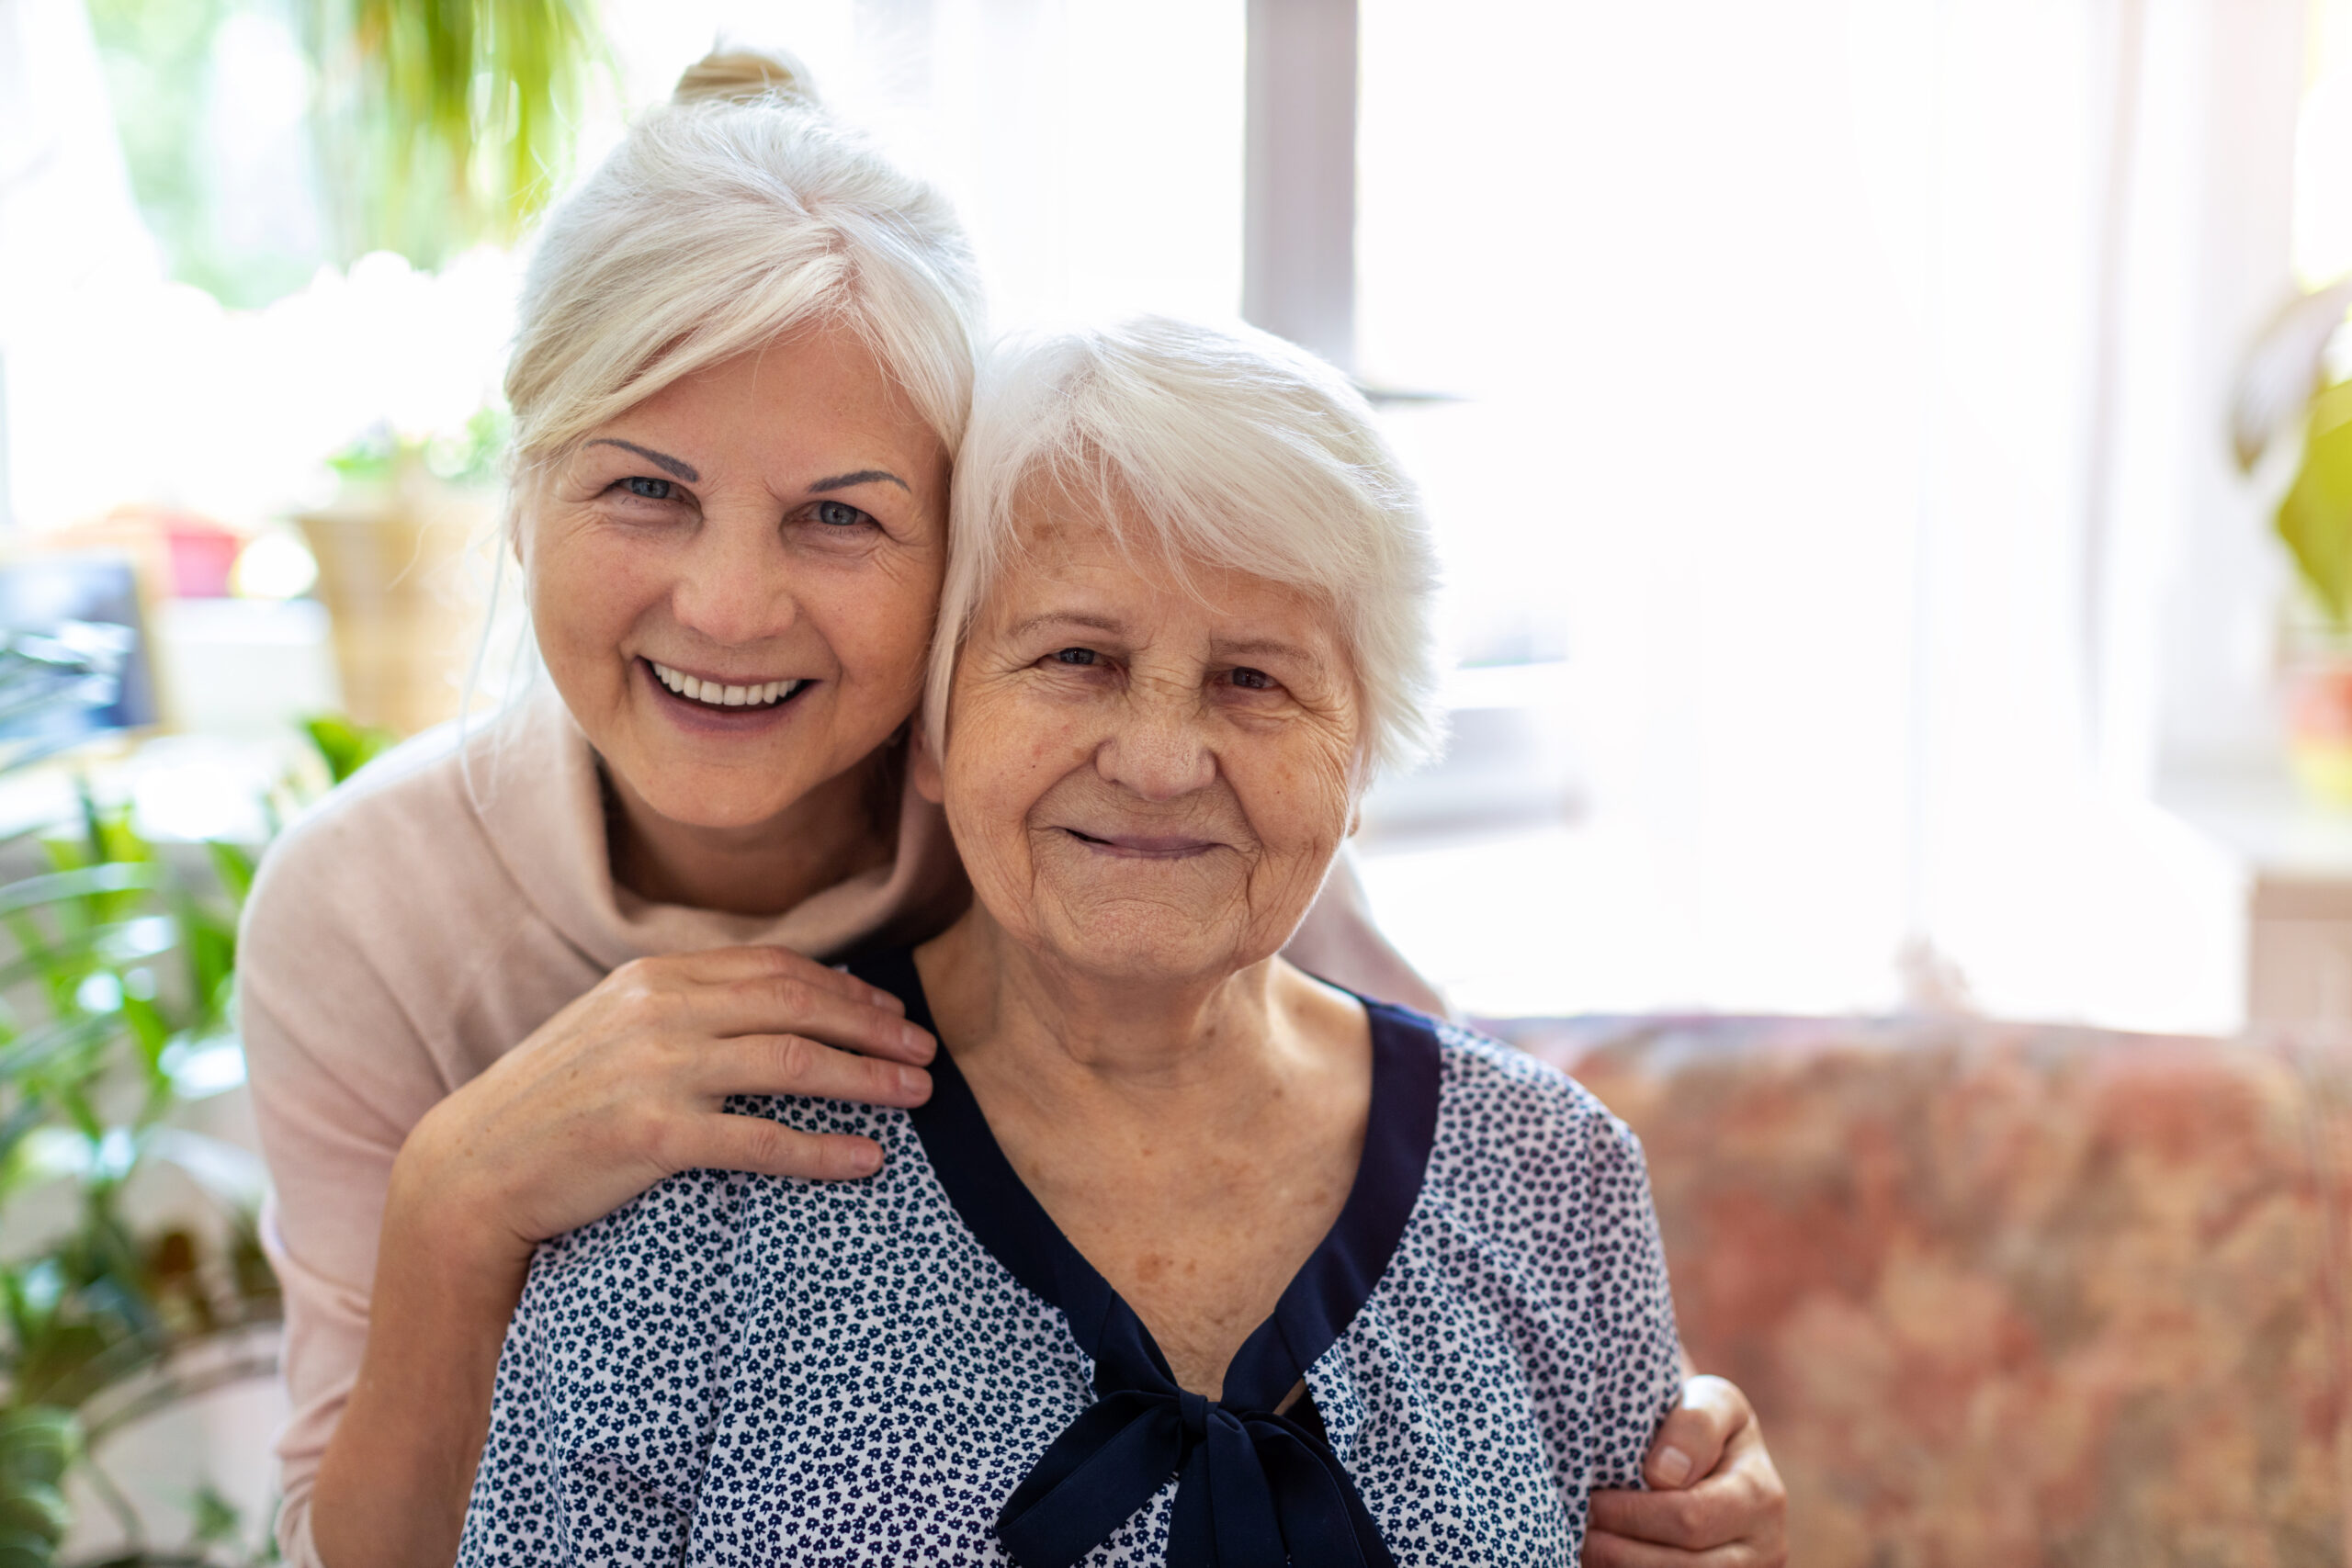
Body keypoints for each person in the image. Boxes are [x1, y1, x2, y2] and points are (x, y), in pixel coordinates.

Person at [238, 51, 1786, 1568]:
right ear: (522, 496)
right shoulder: (375, 912)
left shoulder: (1164, 838)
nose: (726, 604)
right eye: (644, 488)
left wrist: (1668, 1471)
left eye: (840, 514)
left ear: (955, 563)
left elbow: (1467, 1234)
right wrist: (458, 1199)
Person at [462, 315, 1680, 1564]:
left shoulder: (1555, 1180)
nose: (1157, 762)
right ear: (931, 730)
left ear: (1363, 761)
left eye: (1254, 680)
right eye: (1077, 658)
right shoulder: (704, 1175)